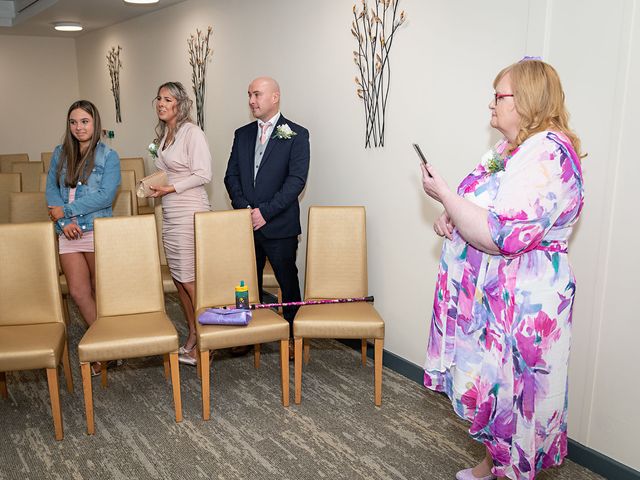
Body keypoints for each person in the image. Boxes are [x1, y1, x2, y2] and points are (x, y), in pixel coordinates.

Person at [420, 59, 584, 480]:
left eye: (500, 95)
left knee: (516, 393)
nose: (491, 103)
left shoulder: (548, 152)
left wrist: (442, 194)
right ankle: (488, 465)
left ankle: (513, 473)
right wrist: (450, 216)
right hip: (494, 295)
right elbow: (475, 205)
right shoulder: (507, 151)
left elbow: (502, 234)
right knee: (495, 388)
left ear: (527, 100)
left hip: (525, 298)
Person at [224, 76, 310, 357]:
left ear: (275, 97)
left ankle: (293, 336)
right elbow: (231, 176)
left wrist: (266, 212)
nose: (251, 100)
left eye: (257, 94)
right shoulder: (242, 134)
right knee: (247, 282)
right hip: (246, 224)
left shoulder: (297, 134)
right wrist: (244, 209)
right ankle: (250, 334)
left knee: (288, 280)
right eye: (249, 94)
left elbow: (296, 181)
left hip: (280, 225)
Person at [46, 100, 121, 377]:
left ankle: (106, 349)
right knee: (78, 292)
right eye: (73, 122)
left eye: (85, 121)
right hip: (68, 232)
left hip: (96, 229)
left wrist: (65, 211)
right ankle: (108, 346)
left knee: (99, 289)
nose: (79, 127)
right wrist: (64, 222)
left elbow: (105, 195)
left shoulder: (108, 156)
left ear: (95, 123)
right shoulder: (60, 154)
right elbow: (51, 192)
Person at [149, 81, 212, 366]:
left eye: (167, 99)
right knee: (178, 279)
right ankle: (193, 334)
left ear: (180, 104)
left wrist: (171, 189)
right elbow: (167, 173)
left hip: (189, 210)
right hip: (170, 213)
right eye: (159, 99)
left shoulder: (192, 132)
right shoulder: (165, 134)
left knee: (190, 279)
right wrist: (154, 186)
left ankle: (207, 341)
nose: (161, 103)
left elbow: (203, 174)